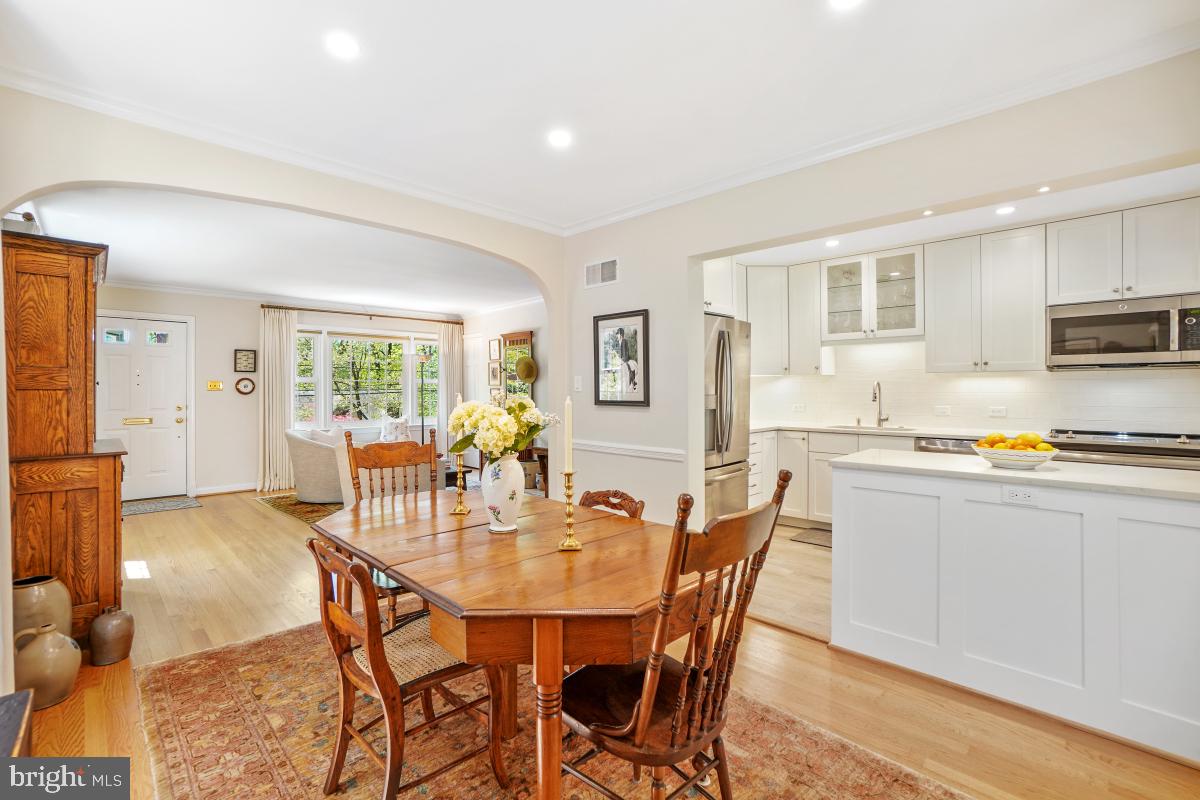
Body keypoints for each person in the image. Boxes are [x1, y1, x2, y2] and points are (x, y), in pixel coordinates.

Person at [616, 327, 638, 392]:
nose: (617, 336)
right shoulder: (620, 342)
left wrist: (623, 360)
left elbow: (626, 352)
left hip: (626, 358)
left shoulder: (624, 341)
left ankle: (633, 382)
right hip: (623, 358)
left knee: (629, 366)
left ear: (621, 334)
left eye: (618, 334)